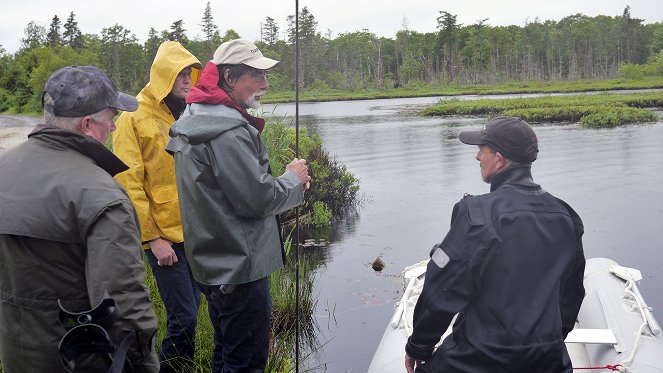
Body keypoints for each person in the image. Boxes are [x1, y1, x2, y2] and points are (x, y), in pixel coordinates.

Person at [165, 39, 311, 373]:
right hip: (239, 272)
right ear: (230, 78)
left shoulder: (193, 116)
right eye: (257, 76)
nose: (265, 84)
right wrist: (292, 178)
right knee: (245, 362)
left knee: (227, 354)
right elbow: (257, 199)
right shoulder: (227, 131)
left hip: (213, 264)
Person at [0, 66, 159, 372]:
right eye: (111, 119)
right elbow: (123, 302)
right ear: (87, 124)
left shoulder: (3, 169)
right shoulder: (102, 194)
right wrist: (146, 364)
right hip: (81, 360)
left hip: (16, 353)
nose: (113, 128)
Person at [405, 117, 586, 373]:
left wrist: (419, 346)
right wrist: (548, 342)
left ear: (499, 160)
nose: (478, 157)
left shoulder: (476, 213)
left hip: (476, 360)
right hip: (548, 359)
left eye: (482, 150)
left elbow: (443, 290)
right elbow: (571, 294)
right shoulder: (566, 215)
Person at [112, 41, 202, 372]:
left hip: (193, 234)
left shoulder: (186, 114)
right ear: (163, 74)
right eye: (178, 73)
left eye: (189, 73)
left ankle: (183, 367)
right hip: (163, 239)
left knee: (191, 313)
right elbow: (127, 182)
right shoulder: (132, 117)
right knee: (185, 317)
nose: (186, 80)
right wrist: (152, 238)